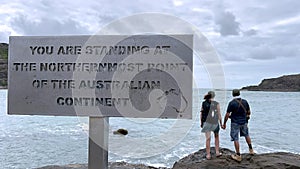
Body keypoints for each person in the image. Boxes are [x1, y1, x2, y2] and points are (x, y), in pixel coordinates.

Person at [222, 89, 254, 162]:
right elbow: (249, 112)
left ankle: (238, 155)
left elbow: (227, 115)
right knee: (247, 135)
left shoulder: (231, 103)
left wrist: (224, 123)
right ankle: (251, 150)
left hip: (235, 122)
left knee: (235, 138)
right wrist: (246, 117)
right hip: (244, 122)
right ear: (239, 93)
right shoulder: (245, 101)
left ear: (233, 94)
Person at [200, 91, 223, 159]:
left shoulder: (203, 103)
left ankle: (208, 155)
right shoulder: (216, 104)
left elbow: (201, 114)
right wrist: (221, 123)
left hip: (206, 123)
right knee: (216, 137)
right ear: (214, 96)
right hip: (215, 122)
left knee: (208, 138)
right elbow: (219, 115)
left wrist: (201, 123)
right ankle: (217, 152)